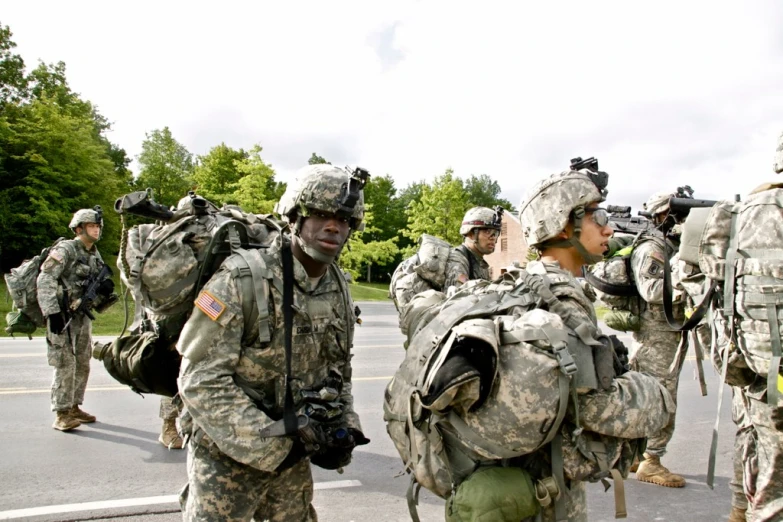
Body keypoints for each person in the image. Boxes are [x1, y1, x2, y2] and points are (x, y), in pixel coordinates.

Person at [176, 164, 370, 521]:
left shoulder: (337, 286)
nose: (333, 226)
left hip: (292, 457)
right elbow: (200, 381)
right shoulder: (242, 278)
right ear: (295, 217)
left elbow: (338, 369)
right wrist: (275, 444)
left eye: (344, 219)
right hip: (227, 457)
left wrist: (344, 425)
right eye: (321, 214)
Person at [627, 190, 690, 488]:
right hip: (656, 336)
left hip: (666, 333)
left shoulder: (670, 246)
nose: (682, 219)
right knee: (664, 399)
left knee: (650, 397)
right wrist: (686, 281)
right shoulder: (653, 247)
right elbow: (652, 291)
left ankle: (638, 455)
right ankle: (651, 461)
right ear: (661, 217)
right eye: (677, 213)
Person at [37, 206, 108, 431]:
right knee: (65, 363)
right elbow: (45, 278)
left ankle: (74, 406)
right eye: (91, 226)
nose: (96, 230)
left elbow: (92, 287)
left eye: (97, 226)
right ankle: (61, 413)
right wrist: (52, 313)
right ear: (79, 229)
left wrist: (105, 291)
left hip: (81, 317)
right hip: (62, 316)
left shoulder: (94, 254)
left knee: (83, 362)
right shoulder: (65, 249)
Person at [444, 206, 503, 289]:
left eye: (495, 233)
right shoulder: (458, 259)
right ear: (471, 233)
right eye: (488, 231)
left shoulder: (479, 262)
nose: (493, 237)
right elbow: (459, 296)